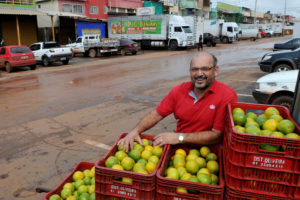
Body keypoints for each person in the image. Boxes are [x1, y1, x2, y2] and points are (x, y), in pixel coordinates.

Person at [118, 52, 237, 151]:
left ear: (216, 71)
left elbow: (216, 135)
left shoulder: (227, 95)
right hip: (179, 153)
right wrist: (135, 131)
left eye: (205, 69)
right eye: (194, 69)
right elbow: (157, 114)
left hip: (209, 155)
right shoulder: (179, 91)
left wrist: (179, 137)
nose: (199, 74)